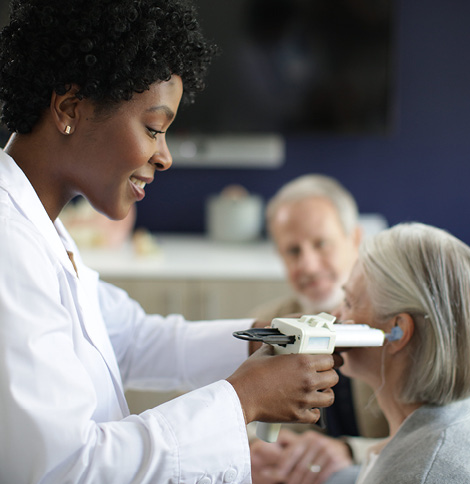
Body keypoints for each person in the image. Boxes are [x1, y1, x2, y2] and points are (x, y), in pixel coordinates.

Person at [0, 1, 342, 482]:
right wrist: (245, 399)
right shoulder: (8, 247)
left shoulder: (39, 228)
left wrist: (270, 335)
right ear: (70, 108)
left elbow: (135, 339)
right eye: (154, 129)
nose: (165, 156)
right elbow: (67, 469)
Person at [249, 174, 389, 484]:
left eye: (321, 244)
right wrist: (256, 447)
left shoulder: (397, 321)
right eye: (293, 251)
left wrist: (351, 451)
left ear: (355, 239)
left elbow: (456, 425)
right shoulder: (269, 324)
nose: (309, 266)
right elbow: (233, 411)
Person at [333, 222, 470, 483]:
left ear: (397, 331)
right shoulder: (456, 418)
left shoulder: (423, 473)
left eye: (348, 303)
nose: (336, 316)